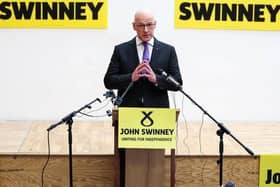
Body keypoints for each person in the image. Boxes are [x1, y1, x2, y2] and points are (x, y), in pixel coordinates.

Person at [104, 10, 183, 187]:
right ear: (134, 26)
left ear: (155, 25)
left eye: (150, 25)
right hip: (129, 116)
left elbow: (178, 83)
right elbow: (108, 81)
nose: (146, 29)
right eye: (141, 25)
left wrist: (158, 80)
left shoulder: (168, 51)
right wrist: (129, 77)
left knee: (154, 165)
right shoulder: (121, 50)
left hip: (158, 118)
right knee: (128, 167)